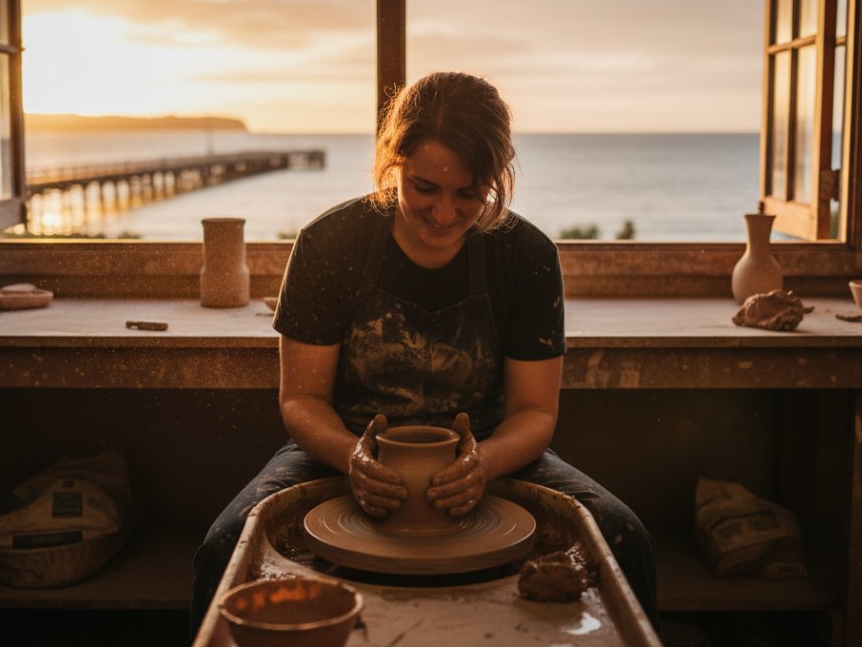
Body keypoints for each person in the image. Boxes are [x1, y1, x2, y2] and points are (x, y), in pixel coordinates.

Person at [189, 72, 657, 638]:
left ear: (497, 176)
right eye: (424, 188)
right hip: (343, 448)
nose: (443, 213)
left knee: (624, 538)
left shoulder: (525, 254)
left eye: (469, 193)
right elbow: (303, 399)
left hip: (490, 450)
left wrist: (484, 462)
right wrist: (351, 457)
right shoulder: (330, 244)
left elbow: (535, 413)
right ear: (395, 162)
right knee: (224, 547)